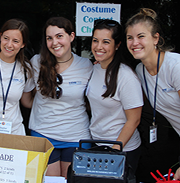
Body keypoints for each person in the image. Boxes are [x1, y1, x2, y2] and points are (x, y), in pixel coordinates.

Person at [26, 17, 93, 178]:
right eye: (49, 38)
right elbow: (26, 98)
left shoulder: (86, 66)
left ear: (71, 36)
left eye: (59, 36)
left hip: (76, 136)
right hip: (43, 134)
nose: (54, 42)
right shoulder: (36, 62)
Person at [125, 8, 180, 180]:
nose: (135, 43)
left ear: (156, 38)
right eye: (129, 38)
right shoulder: (140, 70)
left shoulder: (175, 66)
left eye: (141, 36)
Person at [86, 19, 143, 173]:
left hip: (122, 149)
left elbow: (134, 120)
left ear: (117, 45)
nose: (98, 47)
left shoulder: (126, 77)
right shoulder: (94, 68)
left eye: (106, 42)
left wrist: (114, 151)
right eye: (95, 41)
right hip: (97, 144)